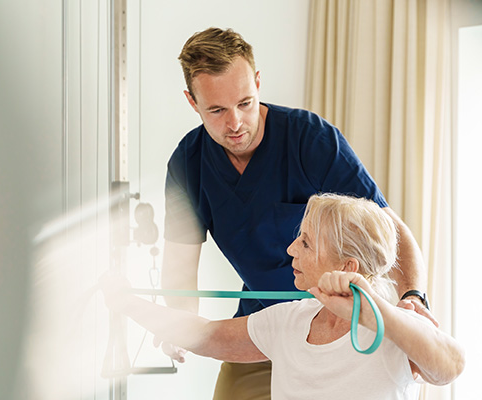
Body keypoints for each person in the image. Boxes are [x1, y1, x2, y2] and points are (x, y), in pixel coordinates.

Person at [163, 27, 435, 399]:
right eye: (217, 110)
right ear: (192, 102)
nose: (236, 123)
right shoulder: (188, 165)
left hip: (338, 321)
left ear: (258, 82)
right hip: (262, 325)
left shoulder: (312, 141)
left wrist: (414, 298)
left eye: (245, 102)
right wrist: (179, 324)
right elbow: (179, 266)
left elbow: (388, 227)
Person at [102, 194, 464, 400]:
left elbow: (451, 367)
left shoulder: (394, 325)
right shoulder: (289, 321)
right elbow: (206, 335)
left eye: (305, 242)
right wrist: (127, 303)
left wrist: (374, 314)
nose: (291, 249)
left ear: (347, 265)